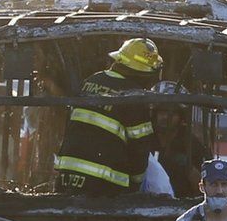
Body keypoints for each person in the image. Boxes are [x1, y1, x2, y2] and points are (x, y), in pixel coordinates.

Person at [55, 38, 160, 195]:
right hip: (104, 186)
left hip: (66, 178)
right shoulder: (135, 97)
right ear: (144, 73)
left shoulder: (91, 81)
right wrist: (135, 185)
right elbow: (140, 148)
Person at [152, 81, 212, 197]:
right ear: (154, 114)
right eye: (162, 112)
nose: (165, 117)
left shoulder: (192, 145)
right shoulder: (144, 139)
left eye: (173, 113)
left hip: (181, 206)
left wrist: (188, 168)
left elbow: (206, 189)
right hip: (142, 204)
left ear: (181, 117)